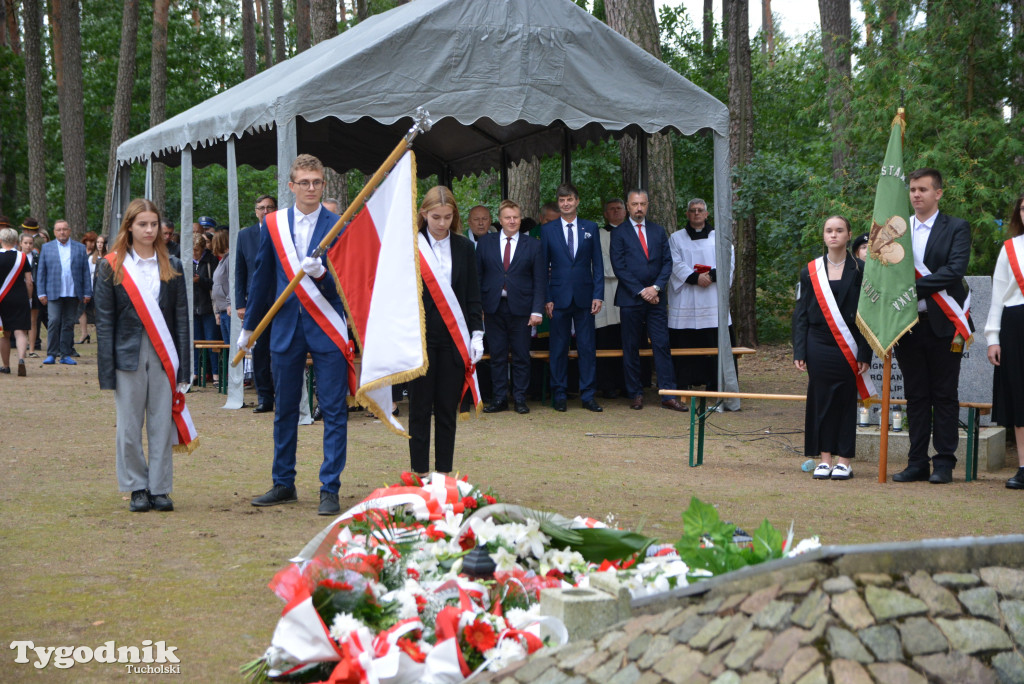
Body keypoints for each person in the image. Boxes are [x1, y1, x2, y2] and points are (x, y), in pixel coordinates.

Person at [240, 154, 351, 516]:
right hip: (285, 328)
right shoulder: (272, 224)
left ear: (323, 184)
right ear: (291, 186)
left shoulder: (340, 224)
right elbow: (261, 279)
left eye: (317, 182)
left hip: (327, 325)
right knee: (284, 408)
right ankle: (283, 482)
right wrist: (249, 327)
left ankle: (329, 488)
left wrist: (322, 275)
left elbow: (349, 283)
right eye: (304, 182)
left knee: (334, 409)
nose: (311, 188)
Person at [94, 198, 192, 512]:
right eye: (142, 224)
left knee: (163, 423)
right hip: (127, 354)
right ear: (130, 227)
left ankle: (160, 488)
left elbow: (181, 319)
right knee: (128, 425)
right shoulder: (111, 265)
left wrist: (185, 369)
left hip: (164, 355)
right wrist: (106, 370)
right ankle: (136, 486)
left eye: (153, 224)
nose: (149, 230)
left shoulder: (173, 265)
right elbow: (105, 321)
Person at [892, 168, 974, 485]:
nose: (916, 195)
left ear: (938, 193)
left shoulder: (956, 227)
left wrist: (910, 290)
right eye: (912, 189)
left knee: (944, 395)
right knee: (915, 396)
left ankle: (943, 462)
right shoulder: (897, 230)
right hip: (908, 325)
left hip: (944, 324)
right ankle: (916, 462)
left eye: (923, 189)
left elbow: (954, 271)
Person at [409, 186, 483, 476]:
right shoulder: (411, 245)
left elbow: (472, 294)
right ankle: (419, 474)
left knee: (446, 410)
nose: (442, 224)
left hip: (454, 338)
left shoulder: (464, 247)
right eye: (436, 217)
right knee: (418, 409)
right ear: (424, 214)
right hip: (420, 339)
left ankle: (442, 475)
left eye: (448, 217)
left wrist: (477, 332)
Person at [792, 216, 872, 480]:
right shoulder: (810, 270)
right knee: (821, 400)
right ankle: (824, 458)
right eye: (829, 230)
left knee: (846, 401)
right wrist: (799, 350)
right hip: (818, 342)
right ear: (824, 235)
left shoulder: (861, 269)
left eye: (839, 230)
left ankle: (844, 460)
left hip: (848, 342)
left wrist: (864, 351)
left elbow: (867, 315)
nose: (834, 235)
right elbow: (801, 313)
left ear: (849, 235)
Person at [611, 190, 688, 411]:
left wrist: (655, 288)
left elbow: (667, 262)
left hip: (655, 299)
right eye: (635, 204)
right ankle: (635, 393)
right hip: (630, 298)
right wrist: (640, 291)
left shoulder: (658, 231)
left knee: (662, 345)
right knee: (631, 347)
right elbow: (619, 267)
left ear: (647, 205)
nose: (639, 208)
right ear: (628, 205)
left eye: (642, 204)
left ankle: (668, 394)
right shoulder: (620, 233)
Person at [540, 183, 604, 412]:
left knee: (587, 347)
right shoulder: (548, 230)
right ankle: (559, 393)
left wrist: (599, 295)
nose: (565, 204)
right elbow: (542, 267)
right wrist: (546, 297)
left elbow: (597, 263)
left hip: (586, 297)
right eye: (561, 200)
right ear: (558, 204)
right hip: (557, 298)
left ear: (577, 201)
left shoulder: (590, 228)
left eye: (569, 199)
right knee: (558, 347)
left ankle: (588, 395)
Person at [478, 200, 544, 414]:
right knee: (496, 356)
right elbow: (478, 277)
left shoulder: (533, 245)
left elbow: (539, 280)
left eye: (515, 217)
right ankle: (499, 399)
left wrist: (536, 310)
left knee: (521, 356)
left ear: (520, 218)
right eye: (508, 217)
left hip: (522, 309)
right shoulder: (485, 242)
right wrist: (478, 307)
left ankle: (520, 398)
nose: (512, 221)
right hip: (493, 307)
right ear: (500, 220)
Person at [668, 198, 736, 393]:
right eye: (692, 210)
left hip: (712, 297)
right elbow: (673, 262)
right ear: (687, 214)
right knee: (685, 345)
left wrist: (712, 276)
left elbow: (728, 261)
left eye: (700, 210)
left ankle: (716, 383)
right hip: (687, 298)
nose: (696, 213)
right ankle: (684, 382)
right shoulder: (676, 238)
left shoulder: (720, 237)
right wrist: (694, 278)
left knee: (713, 344)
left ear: (707, 214)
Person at [985, 193, 1024, 490]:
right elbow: (998, 296)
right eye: (1023, 208)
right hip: (1015, 325)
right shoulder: (1010, 248)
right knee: (1020, 396)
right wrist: (993, 337)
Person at [237, 194, 278, 413]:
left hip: (280, 299)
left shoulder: (283, 232)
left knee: (280, 349)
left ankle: (282, 395)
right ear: (255, 211)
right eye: (261, 208)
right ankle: (265, 397)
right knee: (260, 351)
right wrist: (240, 303)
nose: (265, 211)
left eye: (269, 207)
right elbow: (240, 270)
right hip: (255, 302)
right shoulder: (245, 235)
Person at [36, 219, 92, 365]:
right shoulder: (47, 248)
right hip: (54, 291)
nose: (62, 232)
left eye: (64, 229)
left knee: (68, 323)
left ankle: (65, 354)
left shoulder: (80, 248)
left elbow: (85, 271)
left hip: (73, 292)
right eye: (59, 229)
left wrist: (87, 292)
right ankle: (51, 354)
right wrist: (41, 292)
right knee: (54, 321)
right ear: (54, 232)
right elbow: (41, 272)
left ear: (69, 231)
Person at [595, 199, 626, 399]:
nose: (615, 212)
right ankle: (606, 384)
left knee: (626, 336)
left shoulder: (633, 233)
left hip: (627, 288)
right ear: (605, 214)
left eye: (619, 208)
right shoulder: (598, 234)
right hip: (605, 289)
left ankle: (628, 383)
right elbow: (599, 261)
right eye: (611, 209)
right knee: (605, 337)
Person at [0, 227, 32, 376]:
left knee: (4, 333)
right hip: (19, 297)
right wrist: (30, 298)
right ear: (15, 241)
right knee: (20, 331)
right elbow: (29, 281)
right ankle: (21, 359)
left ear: (1, 240)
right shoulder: (23, 257)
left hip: (2, 298)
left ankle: (6, 366)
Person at [191, 232, 219, 382]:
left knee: (211, 341)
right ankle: (195, 372)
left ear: (202, 249)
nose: (194, 253)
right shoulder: (188, 261)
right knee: (195, 342)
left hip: (208, 306)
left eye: (196, 250)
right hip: (193, 308)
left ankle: (215, 374)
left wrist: (200, 280)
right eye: (192, 250)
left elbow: (215, 282)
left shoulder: (211, 261)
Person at [210, 229, 232, 348]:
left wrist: (230, 303)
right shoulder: (221, 262)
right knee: (227, 346)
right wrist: (217, 310)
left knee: (232, 346)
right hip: (222, 310)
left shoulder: (229, 260)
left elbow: (231, 282)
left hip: (229, 310)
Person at [76, 231, 98, 345]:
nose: (91, 244)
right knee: (81, 310)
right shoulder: (81, 252)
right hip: (83, 285)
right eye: (89, 241)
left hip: (94, 286)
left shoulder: (95, 255)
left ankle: (99, 333)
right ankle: (84, 333)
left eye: (93, 241)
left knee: (96, 310)